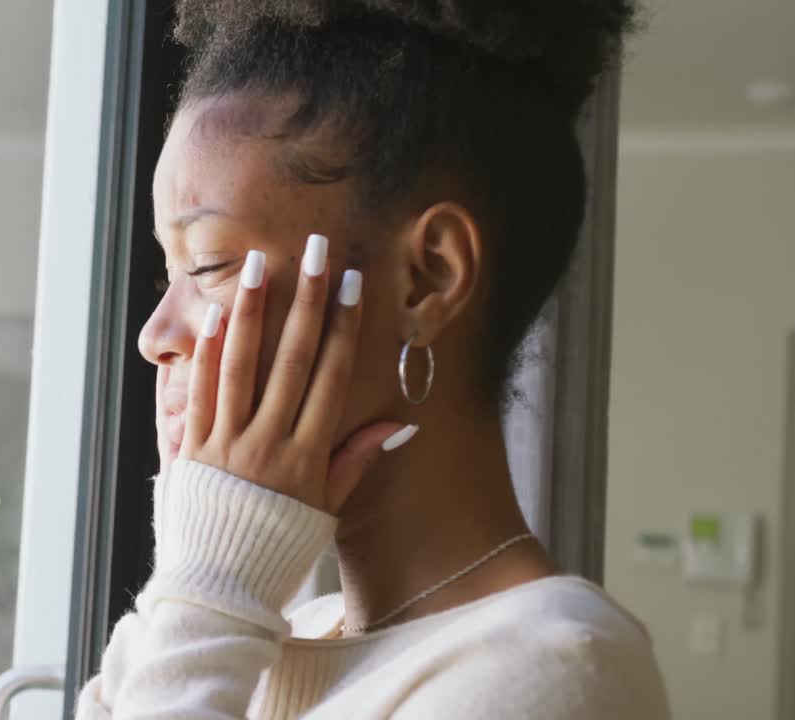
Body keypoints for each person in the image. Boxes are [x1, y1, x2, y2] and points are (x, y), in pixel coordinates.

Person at [77, 0, 670, 717]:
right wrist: (194, 575)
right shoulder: (262, 630)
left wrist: (208, 591)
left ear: (428, 277)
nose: (153, 333)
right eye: (165, 276)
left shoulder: (555, 670)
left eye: (209, 265)